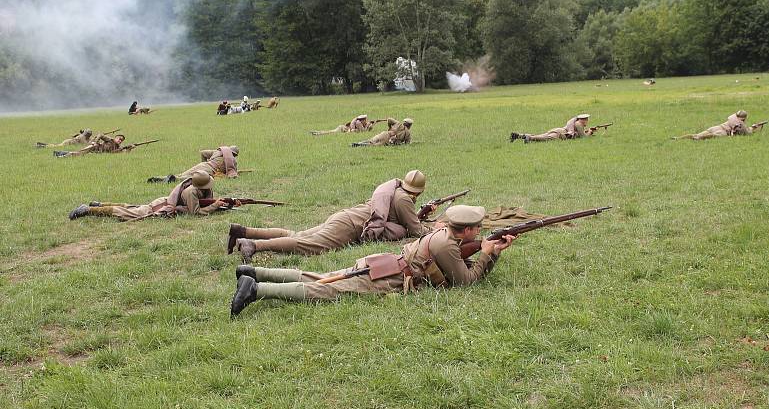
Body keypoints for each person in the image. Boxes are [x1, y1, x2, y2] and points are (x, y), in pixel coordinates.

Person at [229, 204, 515, 317]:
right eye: (476, 228)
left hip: (383, 262)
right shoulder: (448, 246)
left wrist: (488, 251)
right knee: (325, 289)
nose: (479, 231)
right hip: (386, 277)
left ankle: (254, 271)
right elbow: (465, 283)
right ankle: (256, 289)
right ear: (465, 230)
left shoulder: (444, 235)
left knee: (320, 277)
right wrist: (489, 255)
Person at [228, 170, 433, 261]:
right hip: (348, 227)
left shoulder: (395, 191)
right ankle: (253, 245)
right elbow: (415, 230)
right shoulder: (404, 199)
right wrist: (434, 228)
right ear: (420, 191)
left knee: (297, 234)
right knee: (308, 246)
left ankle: (243, 231)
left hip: (345, 217)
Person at [69, 171, 225, 221]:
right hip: (162, 207)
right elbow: (195, 213)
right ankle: (89, 210)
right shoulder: (190, 192)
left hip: (163, 201)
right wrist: (215, 206)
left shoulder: (195, 188)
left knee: (133, 207)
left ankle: (100, 204)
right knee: (126, 213)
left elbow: (204, 202)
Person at [147, 146, 239, 183]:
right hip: (208, 170)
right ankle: (174, 179)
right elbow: (232, 174)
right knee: (190, 178)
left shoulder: (216, 152)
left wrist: (205, 162)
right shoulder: (232, 160)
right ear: (234, 154)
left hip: (203, 164)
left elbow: (203, 153)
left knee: (182, 174)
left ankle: (161, 178)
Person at [673, 110, 765, 140]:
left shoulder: (733, 118)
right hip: (723, 132)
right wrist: (754, 128)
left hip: (717, 126)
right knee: (705, 137)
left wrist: (752, 127)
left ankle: (678, 138)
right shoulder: (740, 124)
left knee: (696, 134)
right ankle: (698, 138)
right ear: (744, 118)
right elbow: (747, 133)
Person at [510, 114, 593, 143]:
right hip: (560, 134)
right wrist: (589, 132)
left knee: (540, 136)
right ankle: (529, 137)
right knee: (541, 138)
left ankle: (518, 136)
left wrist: (587, 131)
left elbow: (578, 133)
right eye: (587, 119)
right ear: (584, 119)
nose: (587, 121)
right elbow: (583, 137)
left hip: (559, 131)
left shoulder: (576, 123)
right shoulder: (578, 124)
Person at [53, 134, 126, 157]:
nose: (120, 141)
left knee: (79, 153)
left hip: (96, 153)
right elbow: (100, 134)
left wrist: (126, 148)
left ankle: (59, 153)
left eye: (121, 140)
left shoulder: (117, 147)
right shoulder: (110, 140)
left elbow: (112, 153)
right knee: (80, 153)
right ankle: (61, 156)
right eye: (119, 139)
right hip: (94, 147)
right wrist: (95, 142)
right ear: (115, 137)